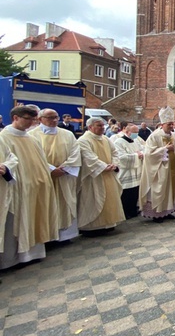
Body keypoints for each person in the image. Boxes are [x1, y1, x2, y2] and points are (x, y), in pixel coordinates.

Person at [0, 106, 58, 269]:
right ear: (15, 118)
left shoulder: (32, 138)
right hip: (18, 188)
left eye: (33, 120)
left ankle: (34, 254)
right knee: (17, 222)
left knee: (35, 218)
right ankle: (11, 260)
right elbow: (9, 162)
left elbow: (41, 161)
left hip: (37, 187)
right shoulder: (4, 137)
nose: (31, 123)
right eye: (28, 119)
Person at [29, 108, 82, 241]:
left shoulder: (67, 134)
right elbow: (32, 157)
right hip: (44, 177)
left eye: (56, 117)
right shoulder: (31, 135)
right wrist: (51, 169)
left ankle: (65, 236)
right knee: (45, 205)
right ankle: (47, 237)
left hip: (64, 176)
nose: (54, 120)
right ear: (40, 119)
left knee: (65, 203)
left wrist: (64, 169)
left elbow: (75, 153)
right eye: (50, 117)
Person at [77, 117, 125, 235]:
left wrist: (114, 164)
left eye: (103, 125)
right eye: (99, 126)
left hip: (109, 173)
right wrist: (103, 166)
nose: (102, 128)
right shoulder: (83, 140)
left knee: (110, 199)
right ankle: (92, 227)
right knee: (94, 199)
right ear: (90, 127)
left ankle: (109, 224)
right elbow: (88, 156)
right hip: (94, 176)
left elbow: (115, 152)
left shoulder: (105, 138)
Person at [139, 106, 175, 222]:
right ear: (162, 124)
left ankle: (167, 211)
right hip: (159, 170)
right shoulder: (154, 136)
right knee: (158, 190)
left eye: (172, 124)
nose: (171, 126)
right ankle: (157, 213)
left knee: (169, 190)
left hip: (172, 168)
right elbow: (149, 153)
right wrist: (164, 149)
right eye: (169, 124)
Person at [113, 123, 145, 219]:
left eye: (137, 132)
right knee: (126, 193)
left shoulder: (135, 140)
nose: (136, 134)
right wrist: (136, 155)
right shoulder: (119, 142)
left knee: (135, 192)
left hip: (136, 171)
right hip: (126, 172)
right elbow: (121, 157)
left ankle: (133, 209)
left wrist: (140, 154)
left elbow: (143, 149)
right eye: (134, 132)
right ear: (127, 132)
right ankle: (125, 212)